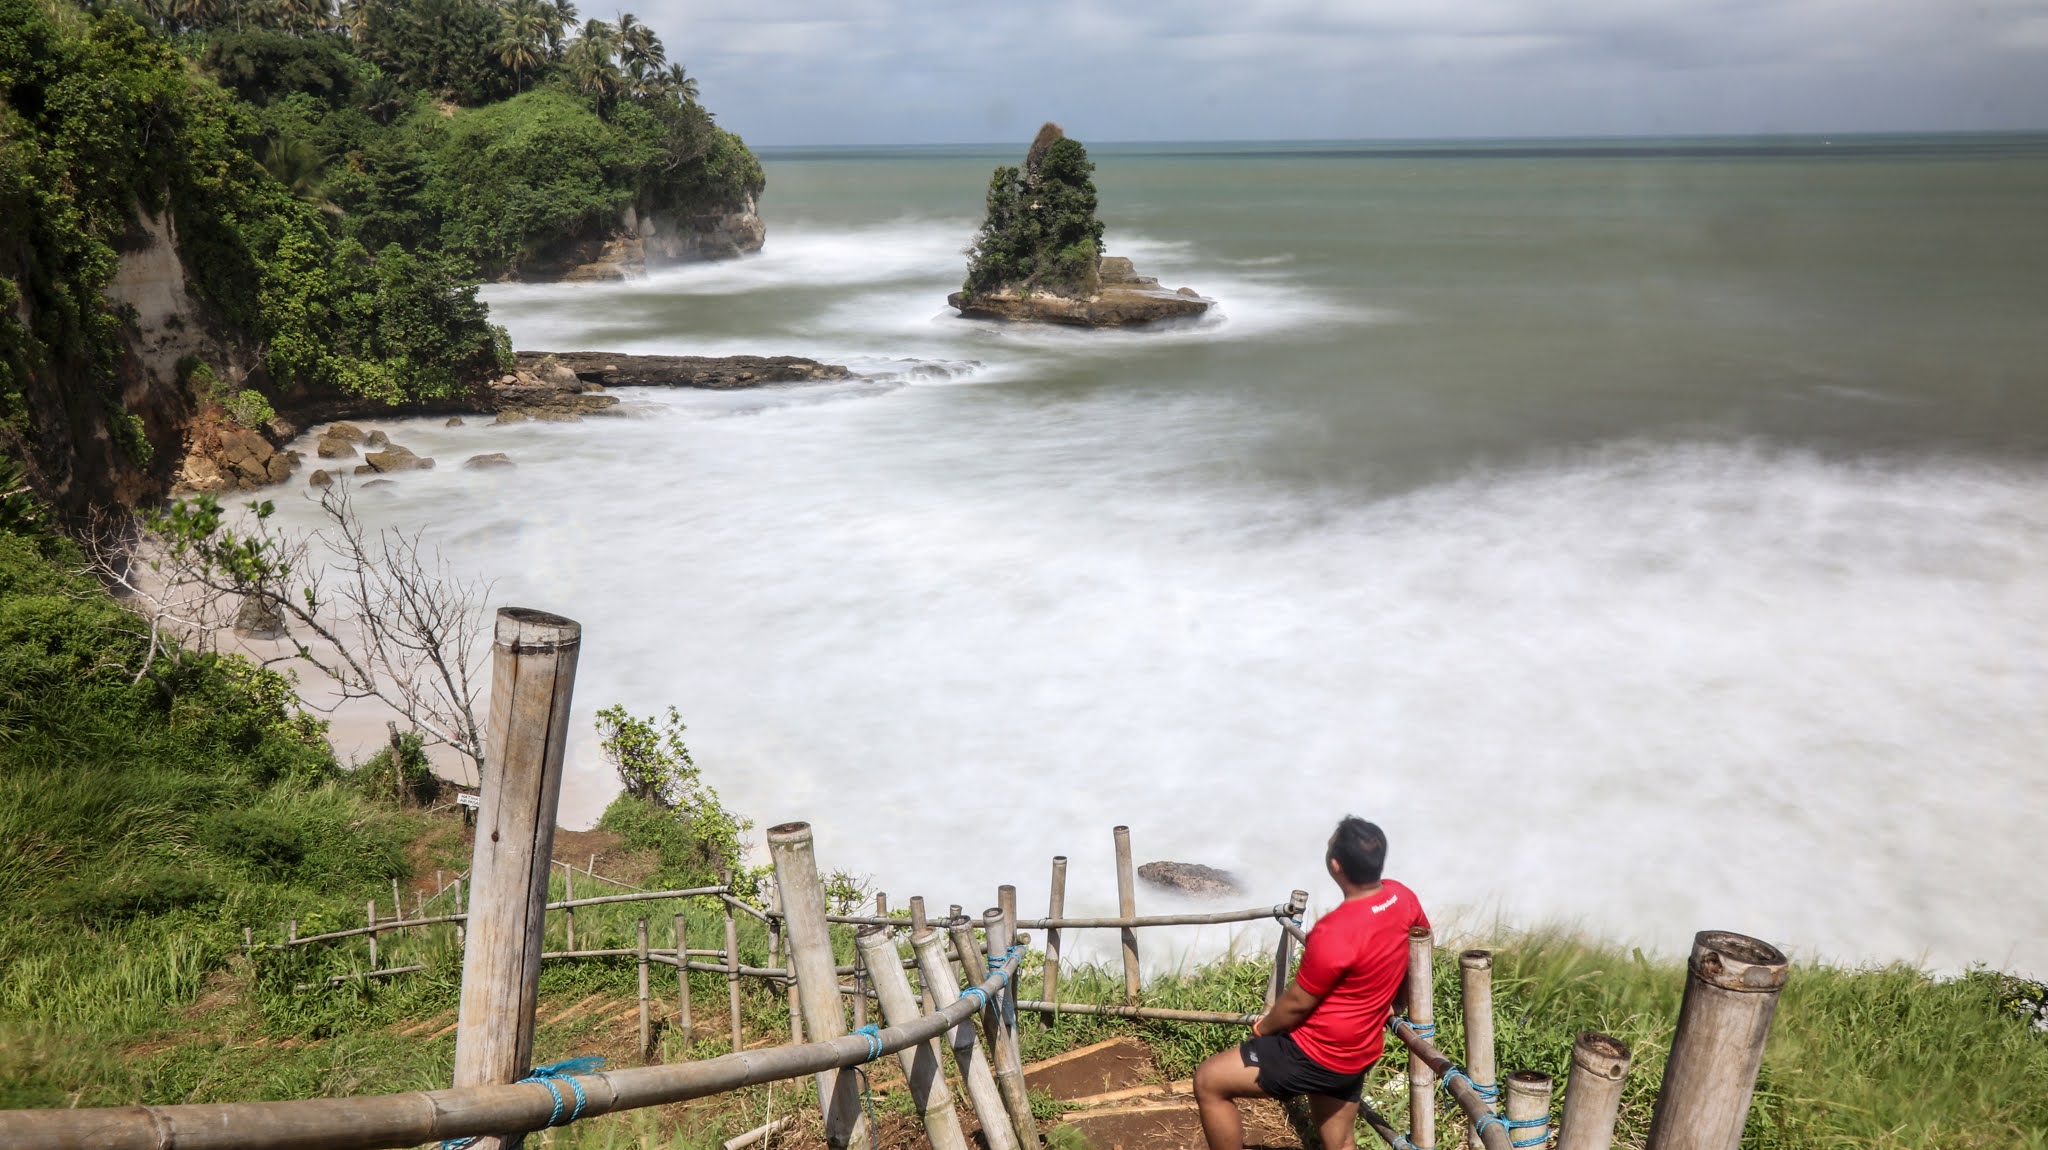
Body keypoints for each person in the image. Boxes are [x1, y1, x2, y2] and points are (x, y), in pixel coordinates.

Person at [1194, 817, 1429, 1150]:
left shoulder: (1336, 930)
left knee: (1209, 1081)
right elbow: (1419, 946)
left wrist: (1263, 1028)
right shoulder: (1401, 896)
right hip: (1358, 1050)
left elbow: (1298, 1003)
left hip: (1314, 1052)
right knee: (1340, 1140)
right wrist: (1400, 999)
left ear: (1335, 865)